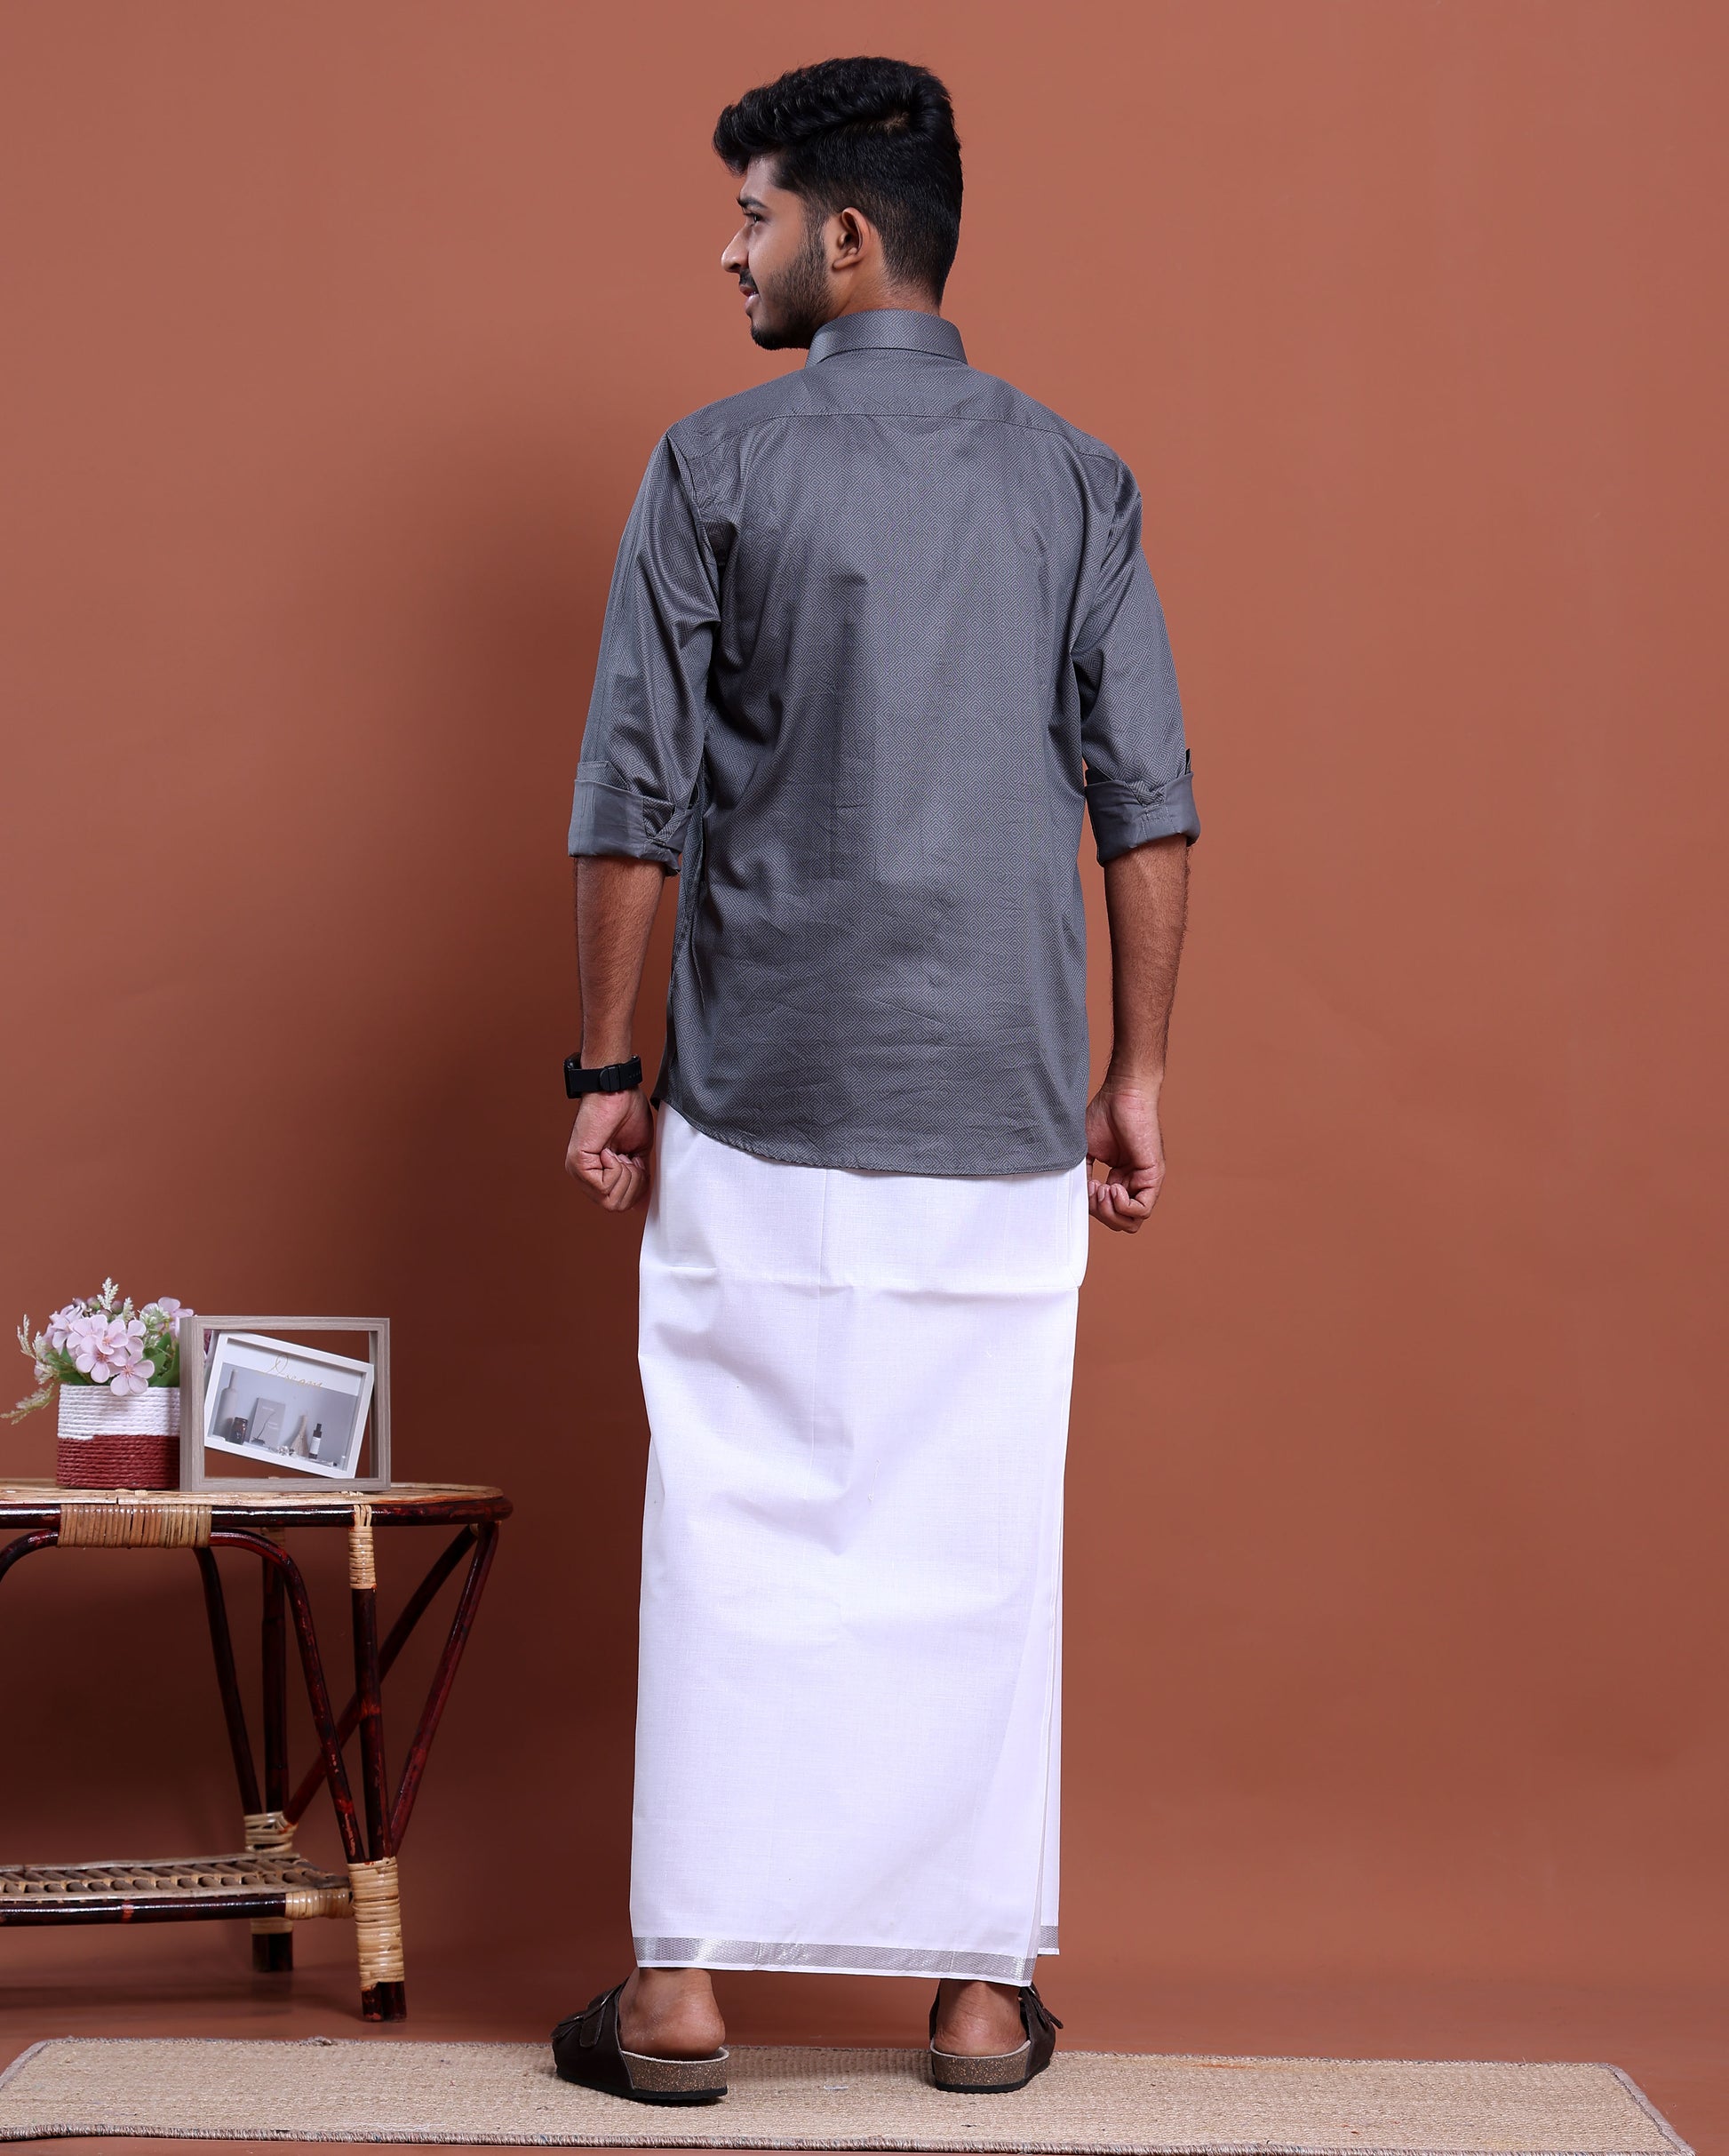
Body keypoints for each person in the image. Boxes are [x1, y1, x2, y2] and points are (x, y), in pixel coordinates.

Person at [554, 55, 1197, 2107]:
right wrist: (1135, 1072)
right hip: (998, 1107)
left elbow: (634, 796)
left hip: (758, 1095)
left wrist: (606, 1066)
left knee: (730, 1523)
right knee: (978, 1540)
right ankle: (978, 1997)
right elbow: (1147, 802)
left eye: (748, 215)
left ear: (841, 237)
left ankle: (678, 1992)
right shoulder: (1075, 479)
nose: (725, 252)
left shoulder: (712, 464)